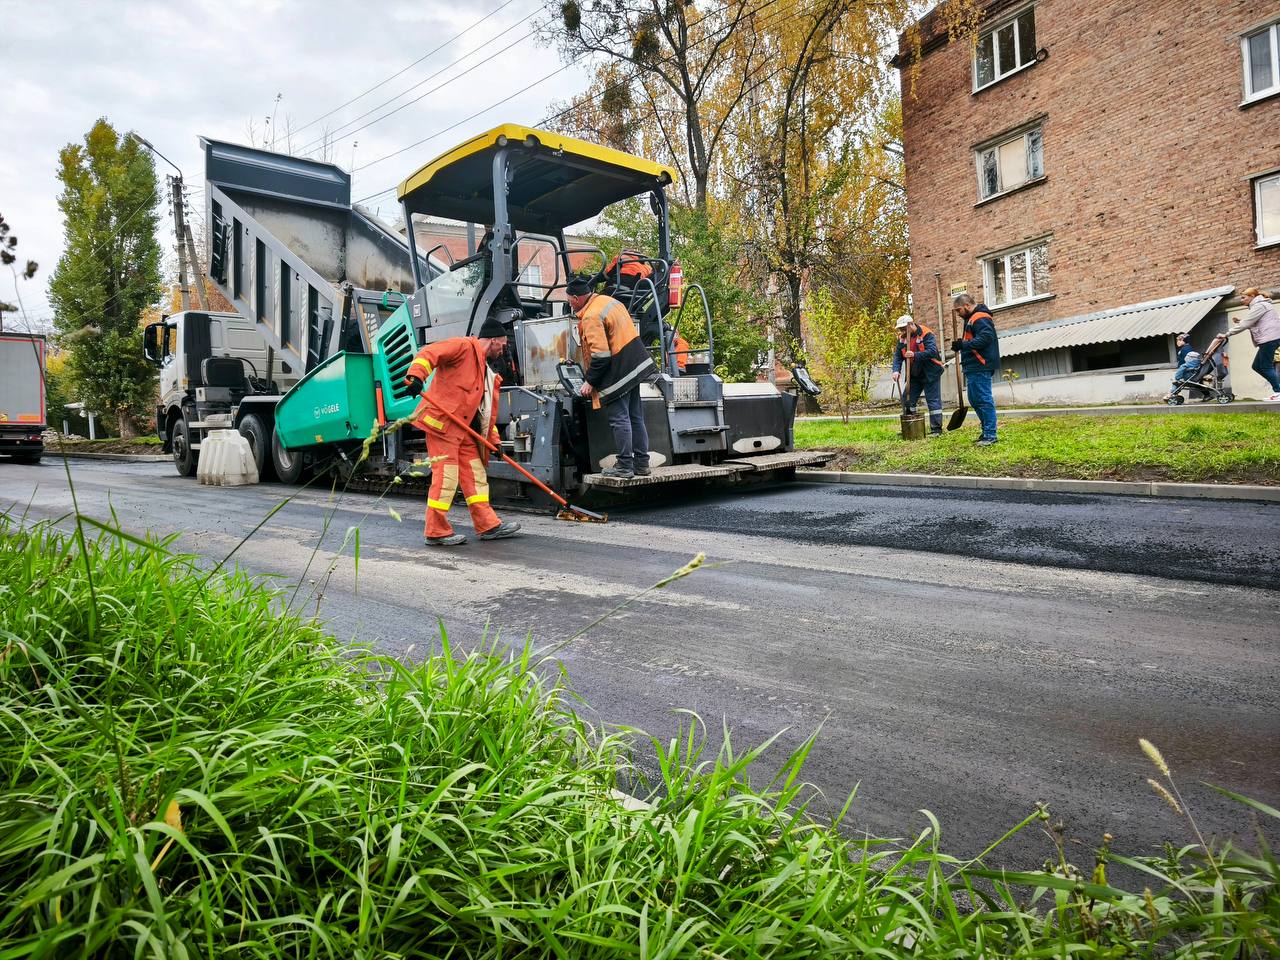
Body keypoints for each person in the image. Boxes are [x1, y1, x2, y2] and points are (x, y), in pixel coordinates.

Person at [402, 315, 522, 546]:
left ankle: (488, 525)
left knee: (476, 477)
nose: (503, 351)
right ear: (494, 341)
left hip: (464, 429)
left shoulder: (484, 371)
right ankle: (435, 531)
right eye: (503, 346)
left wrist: (493, 440)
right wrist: (416, 376)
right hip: (443, 426)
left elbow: (483, 410)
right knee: (446, 477)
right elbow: (428, 354)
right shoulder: (462, 346)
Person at [566, 273, 659, 479]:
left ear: (576, 297)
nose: (570, 305)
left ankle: (625, 466)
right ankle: (641, 464)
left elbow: (601, 355)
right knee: (635, 416)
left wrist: (590, 382)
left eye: (569, 301)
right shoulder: (609, 301)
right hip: (635, 363)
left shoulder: (590, 316)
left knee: (619, 419)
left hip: (618, 369)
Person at [951, 293, 1001, 445]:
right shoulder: (971, 319)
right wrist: (961, 343)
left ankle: (990, 435)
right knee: (974, 399)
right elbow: (974, 338)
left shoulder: (980, 317)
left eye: (958, 310)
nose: (958, 314)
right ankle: (986, 431)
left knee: (983, 399)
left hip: (980, 364)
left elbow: (986, 338)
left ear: (967, 305)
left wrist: (964, 345)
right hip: (972, 365)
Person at [891, 314, 945, 435]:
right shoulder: (902, 339)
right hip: (914, 374)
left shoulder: (926, 333)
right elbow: (898, 356)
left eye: (904, 329)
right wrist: (896, 370)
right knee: (907, 399)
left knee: (933, 400)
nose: (902, 332)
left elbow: (932, 351)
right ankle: (911, 426)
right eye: (900, 329)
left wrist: (915, 355)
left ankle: (936, 429)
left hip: (930, 372)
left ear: (911, 324)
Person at [1226, 287, 1280, 401]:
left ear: (1252, 296)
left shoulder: (1259, 306)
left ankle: (1278, 391)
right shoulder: (1260, 305)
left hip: (1269, 338)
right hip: (1270, 338)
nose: (1241, 300)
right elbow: (1252, 322)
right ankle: (1278, 389)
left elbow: (1247, 324)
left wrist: (1227, 334)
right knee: (1257, 366)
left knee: (1266, 366)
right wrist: (1240, 322)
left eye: (1243, 297)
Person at [1166, 332, 1204, 401]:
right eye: (1177, 340)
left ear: (1185, 341)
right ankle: (1207, 394)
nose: (1177, 342)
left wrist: (1181, 370)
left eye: (1180, 340)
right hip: (1186, 370)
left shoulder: (1186, 349)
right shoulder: (1185, 348)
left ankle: (1171, 395)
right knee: (1195, 384)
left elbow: (1189, 362)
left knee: (1177, 382)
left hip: (1187, 371)